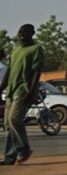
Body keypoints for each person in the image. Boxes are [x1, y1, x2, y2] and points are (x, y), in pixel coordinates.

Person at [0, 24, 44, 166]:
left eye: (25, 32)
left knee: (14, 119)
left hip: (24, 90)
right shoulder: (15, 50)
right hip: (11, 90)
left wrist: (31, 91)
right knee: (9, 124)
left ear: (32, 33)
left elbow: (37, 71)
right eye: (20, 32)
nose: (21, 34)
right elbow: (9, 71)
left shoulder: (36, 49)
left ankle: (23, 149)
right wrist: (1, 88)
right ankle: (9, 157)